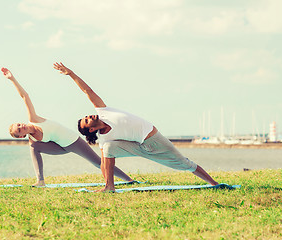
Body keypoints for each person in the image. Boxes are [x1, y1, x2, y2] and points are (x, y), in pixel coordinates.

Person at [53, 62, 219, 192]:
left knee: (184, 163)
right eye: (87, 121)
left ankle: (214, 183)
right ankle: (109, 187)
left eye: (87, 116)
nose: (89, 116)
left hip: (153, 139)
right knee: (107, 148)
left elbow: (87, 90)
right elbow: (105, 163)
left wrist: (71, 74)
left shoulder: (103, 110)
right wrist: (105, 178)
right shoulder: (104, 139)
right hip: (137, 147)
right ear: (91, 130)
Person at [1, 67, 133, 187]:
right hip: (59, 147)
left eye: (19, 124)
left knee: (98, 162)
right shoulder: (33, 140)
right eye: (19, 130)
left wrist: (12, 79)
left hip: (73, 141)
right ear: (22, 135)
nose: (21, 126)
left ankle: (129, 180)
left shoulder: (33, 119)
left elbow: (25, 96)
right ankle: (40, 181)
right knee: (33, 148)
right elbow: (40, 145)